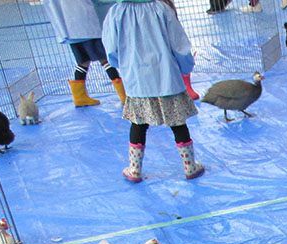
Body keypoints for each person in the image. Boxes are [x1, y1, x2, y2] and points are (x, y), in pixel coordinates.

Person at [103, 0, 203, 183]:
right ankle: (190, 166)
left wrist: (124, 65)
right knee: (177, 122)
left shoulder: (116, 12)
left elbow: (110, 49)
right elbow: (179, 45)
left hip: (137, 79)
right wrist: (185, 66)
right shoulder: (161, 8)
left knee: (138, 123)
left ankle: (134, 169)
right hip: (166, 76)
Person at [42, 0, 126, 107]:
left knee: (83, 60)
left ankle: (79, 97)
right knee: (104, 58)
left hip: (69, 27)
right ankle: (123, 94)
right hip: (86, 25)